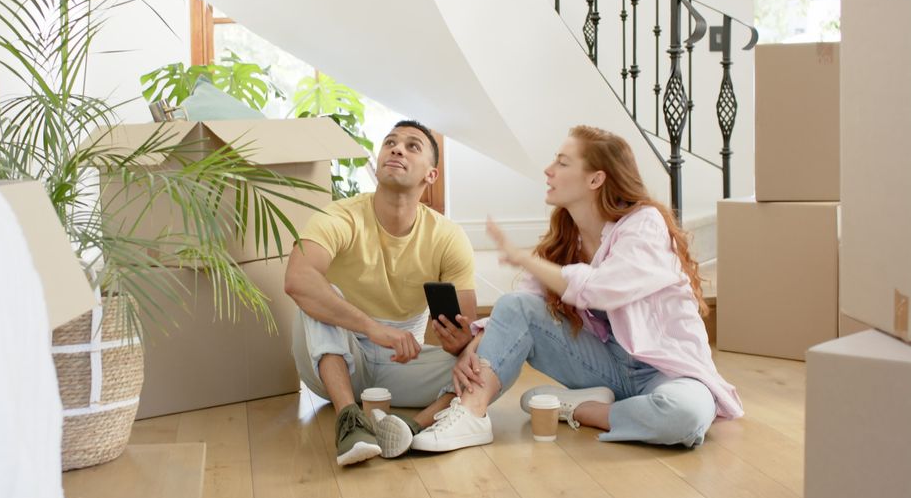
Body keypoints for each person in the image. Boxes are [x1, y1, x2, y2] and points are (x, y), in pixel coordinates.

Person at [383, 125, 743, 453]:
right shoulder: (564, 241)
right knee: (515, 304)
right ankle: (467, 416)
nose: (548, 170)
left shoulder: (644, 224)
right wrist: (470, 351)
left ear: (595, 179)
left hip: (666, 371)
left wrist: (525, 259)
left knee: (684, 416)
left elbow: (604, 289)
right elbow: (515, 316)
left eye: (562, 162)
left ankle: (580, 408)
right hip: (603, 366)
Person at [284, 119, 479, 466]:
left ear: (430, 176)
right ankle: (349, 420)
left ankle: (415, 426)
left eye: (412, 146)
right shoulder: (340, 216)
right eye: (390, 142)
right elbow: (297, 279)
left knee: (492, 349)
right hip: (335, 362)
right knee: (318, 289)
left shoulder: (448, 236)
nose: (397, 148)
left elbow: (467, 332)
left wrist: (458, 343)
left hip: (401, 366)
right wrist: (373, 328)